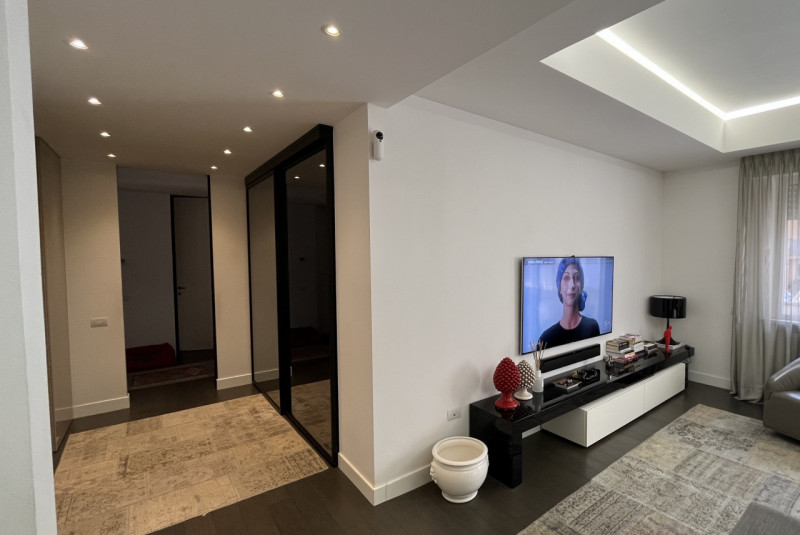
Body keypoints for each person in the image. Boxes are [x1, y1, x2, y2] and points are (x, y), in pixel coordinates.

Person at [539, 257, 600, 347]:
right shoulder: (546, 338)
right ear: (559, 287)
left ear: (581, 287)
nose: (572, 285)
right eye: (566, 278)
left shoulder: (592, 327)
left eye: (577, 278)